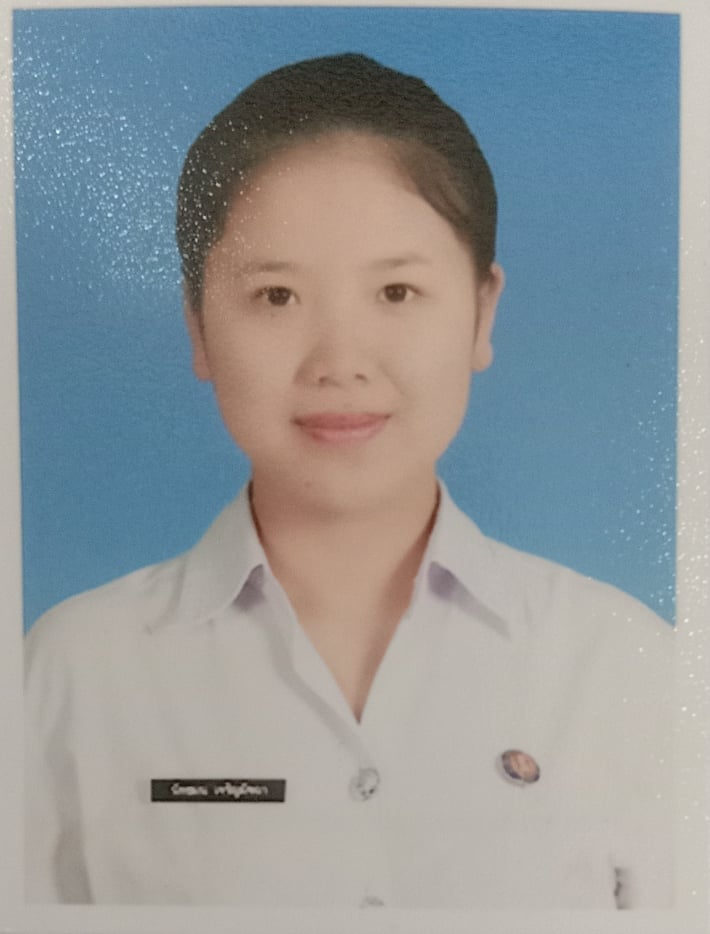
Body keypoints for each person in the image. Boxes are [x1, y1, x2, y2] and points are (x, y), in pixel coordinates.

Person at [24, 53, 674, 909]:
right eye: (277, 297)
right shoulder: (70, 674)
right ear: (199, 326)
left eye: (397, 292)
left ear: (482, 312)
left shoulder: (624, 666)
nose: (339, 362)